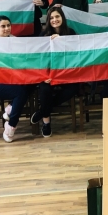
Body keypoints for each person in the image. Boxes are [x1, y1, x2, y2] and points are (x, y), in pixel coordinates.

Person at [30, 7, 81, 137]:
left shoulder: (71, 32)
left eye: (57, 16)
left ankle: (42, 111)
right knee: (44, 89)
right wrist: (44, 75)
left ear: (62, 17)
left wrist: (61, 41)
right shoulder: (43, 34)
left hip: (66, 73)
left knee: (74, 88)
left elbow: (75, 54)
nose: (55, 20)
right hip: (48, 74)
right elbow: (39, 58)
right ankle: (46, 123)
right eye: (51, 18)